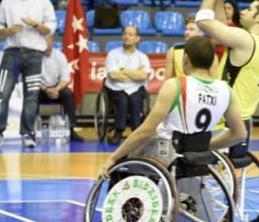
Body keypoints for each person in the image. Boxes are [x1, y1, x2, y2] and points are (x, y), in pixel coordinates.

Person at [99, 35, 246, 178]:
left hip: (167, 153)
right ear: (213, 61)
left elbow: (145, 132)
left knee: (122, 160)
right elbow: (240, 134)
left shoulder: (176, 85)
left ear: (186, 59)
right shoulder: (226, 90)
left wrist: (113, 158)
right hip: (197, 155)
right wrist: (206, 146)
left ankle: (134, 201)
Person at [196, 0, 259, 154]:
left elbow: (203, 21)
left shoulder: (245, 40)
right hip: (243, 121)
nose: (242, 11)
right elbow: (221, 26)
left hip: (224, 122)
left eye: (249, 9)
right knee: (228, 181)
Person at [0, 0, 57, 148]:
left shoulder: (43, 2)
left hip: (34, 55)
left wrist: (35, 24)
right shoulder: (7, 1)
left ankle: (28, 134)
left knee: (32, 96)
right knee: (2, 94)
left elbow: (50, 28)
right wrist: (8, 31)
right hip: (12, 53)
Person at [103, 25, 150, 145]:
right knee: (122, 101)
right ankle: (118, 131)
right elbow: (113, 75)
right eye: (125, 34)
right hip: (116, 88)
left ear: (137, 38)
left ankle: (136, 132)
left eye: (130, 34)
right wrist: (135, 74)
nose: (127, 37)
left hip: (136, 88)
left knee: (135, 100)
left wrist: (123, 70)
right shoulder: (113, 54)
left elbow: (143, 76)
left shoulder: (142, 57)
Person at [39, 36, 82, 142]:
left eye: (46, 39)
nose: (44, 42)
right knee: (31, 95)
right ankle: (31, 130)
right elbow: (33, 79)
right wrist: (46, 90)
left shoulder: (60, 56)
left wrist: (56, 89)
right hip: (40, 88)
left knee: (68, 94)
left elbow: (65, 79)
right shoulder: (34, 56)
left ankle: (71, 129)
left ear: (51, 41)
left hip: (57, 87)